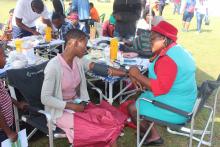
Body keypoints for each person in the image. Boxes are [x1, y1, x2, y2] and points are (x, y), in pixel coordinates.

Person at [41, 29, 127, 147]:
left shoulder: (78, 60)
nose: (86, 49)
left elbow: (98, 68)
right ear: (75, 43)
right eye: (84, 45)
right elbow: (45, 98)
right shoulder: (54, 66)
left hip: (78, 105)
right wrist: (71, 106)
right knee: (96, 128)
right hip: (60, 112)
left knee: (106, 117)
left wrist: (126, 73)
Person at [127, 21, 197, 145]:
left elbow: (158, 88)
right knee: (143, 97)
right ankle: (151, 132)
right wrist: (137, 76)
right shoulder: (177, 50)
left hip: (177, 110)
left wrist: (136, 74)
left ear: (164, 39)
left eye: (152, 39)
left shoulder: (168, 60)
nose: (149, 42)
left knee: (133, 108)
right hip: (182, 101)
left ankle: (152, 136)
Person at [0, 44, 28, 146]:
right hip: (3, 130)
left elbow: (3, 96)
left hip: (5, 126)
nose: (6, 58)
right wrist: (8, 131)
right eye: (3, 55)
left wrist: (17, 103)